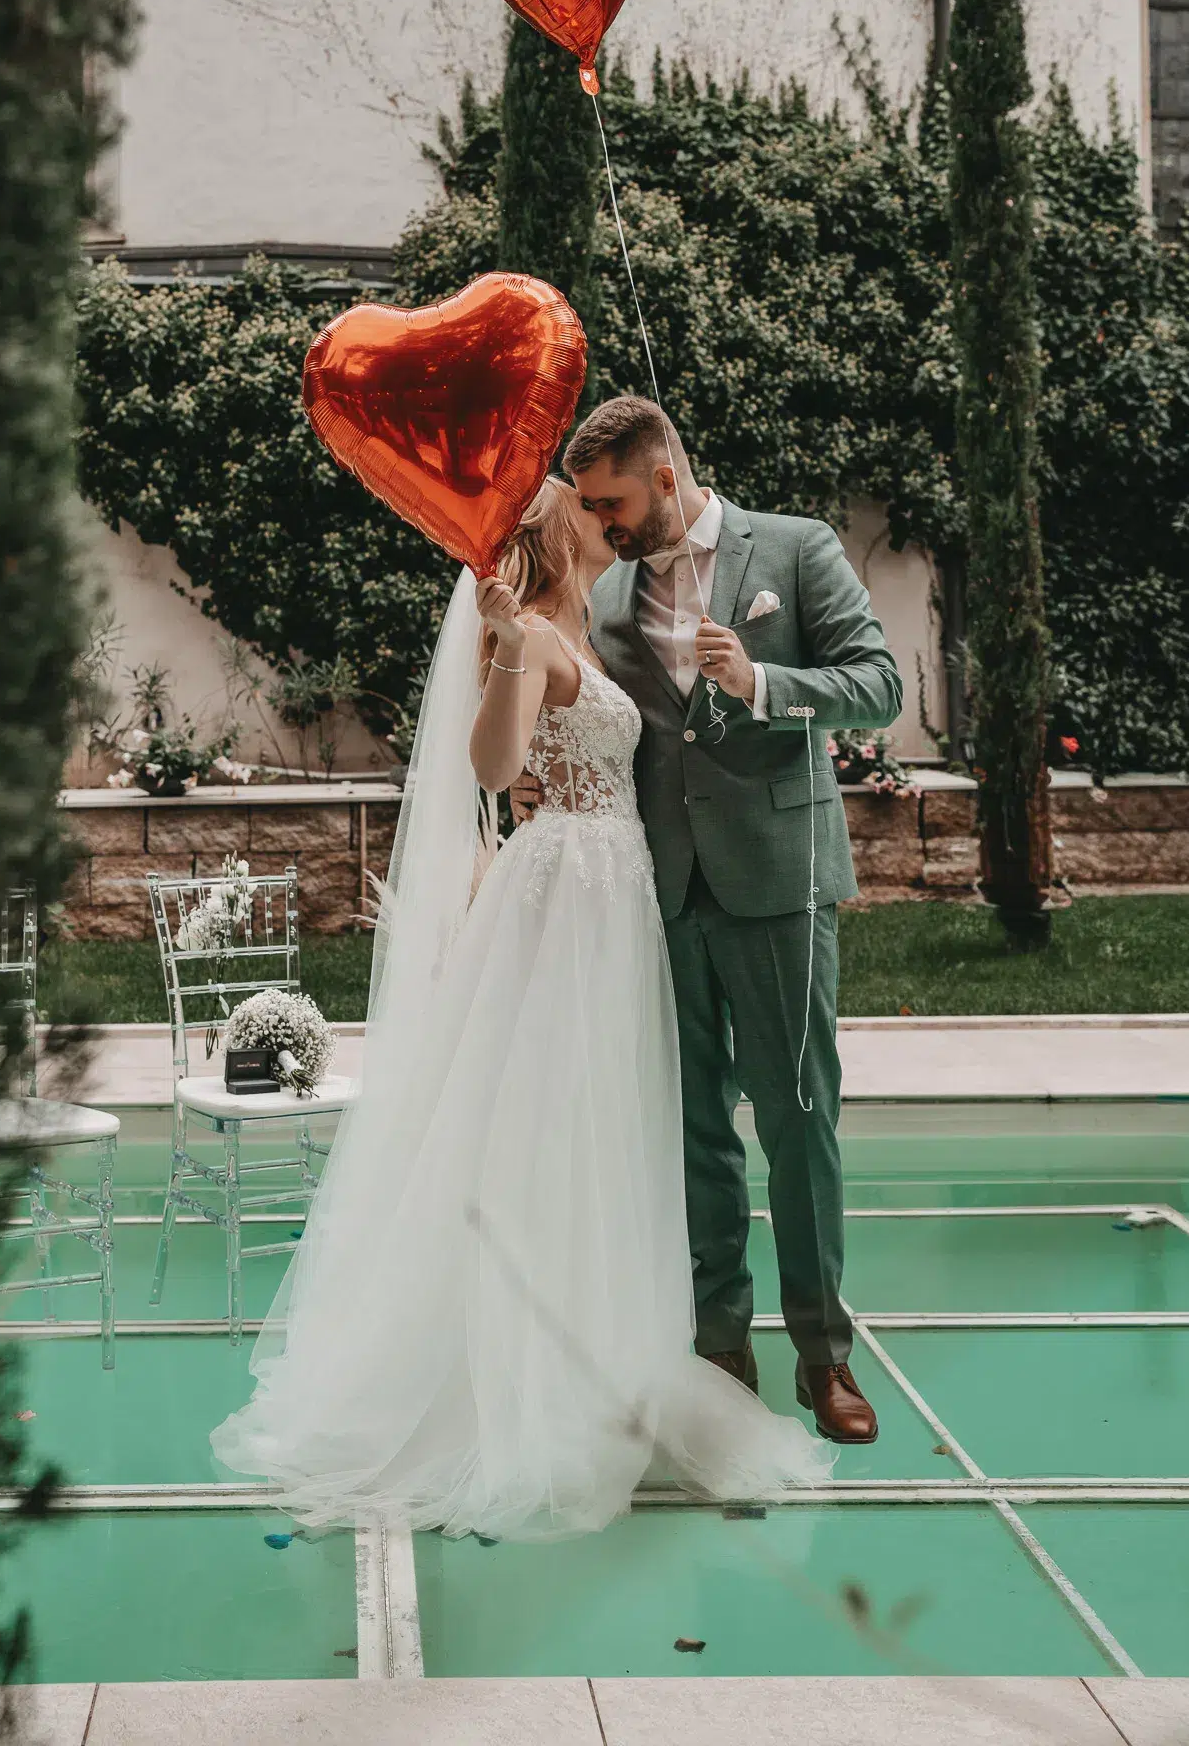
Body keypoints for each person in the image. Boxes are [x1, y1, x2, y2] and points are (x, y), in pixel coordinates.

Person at [211, 477, 832, 1541]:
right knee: (533, 1123)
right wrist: (503, 644)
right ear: (558, 529)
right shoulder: (536, 634)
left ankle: (597, 1351)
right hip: (560, 903)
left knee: (603, 1128)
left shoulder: (601, 627)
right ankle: (514, 1376)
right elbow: (495, 768)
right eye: (591, 506)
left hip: (617, 895)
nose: (610, 516)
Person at [541, 396, 904, 1443]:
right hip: (662, 888)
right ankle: (720, 1343)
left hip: (780, 877)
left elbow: (876, 684)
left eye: (612, 500)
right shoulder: (605, 592)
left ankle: (824, 1354)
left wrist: (764, 680)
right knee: (695, 1126)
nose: (603, 524)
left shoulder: (794, 549)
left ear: (662, 476)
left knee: (798, 1122)